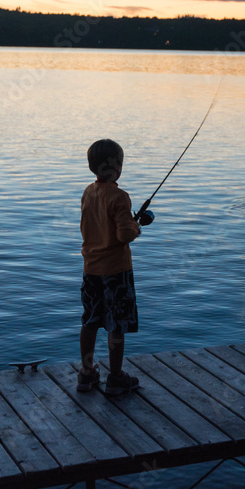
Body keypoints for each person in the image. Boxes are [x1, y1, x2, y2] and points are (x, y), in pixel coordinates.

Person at [78, 138, 150, 396]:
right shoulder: (119, 196)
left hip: (91, 269)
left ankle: (86, 374)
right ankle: (116, 377)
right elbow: (124, 236)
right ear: (118, 167)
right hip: (116, 272)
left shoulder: (88, 192)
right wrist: (136, 227)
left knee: (90, 321)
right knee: (116, 325)